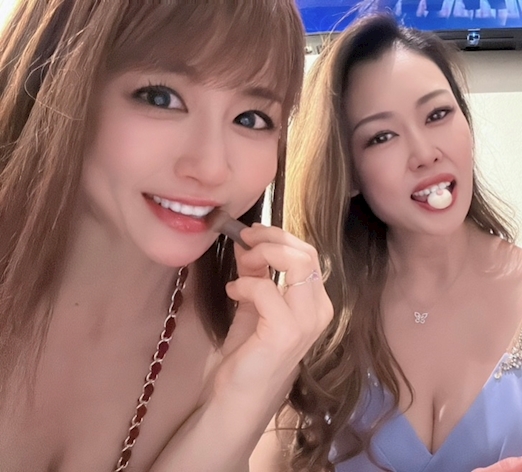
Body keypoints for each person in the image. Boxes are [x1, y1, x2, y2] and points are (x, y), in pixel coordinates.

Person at [250, 14, 522, 472]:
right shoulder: (314, 311)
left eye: (438, 114)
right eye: (382, 136)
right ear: (349, 172)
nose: (425, 153)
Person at [0, 1, 332, 471]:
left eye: (251, 119)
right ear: (54, 78)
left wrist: (236, 405)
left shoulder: (241, 338)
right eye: (160, 97)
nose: (211, 168)